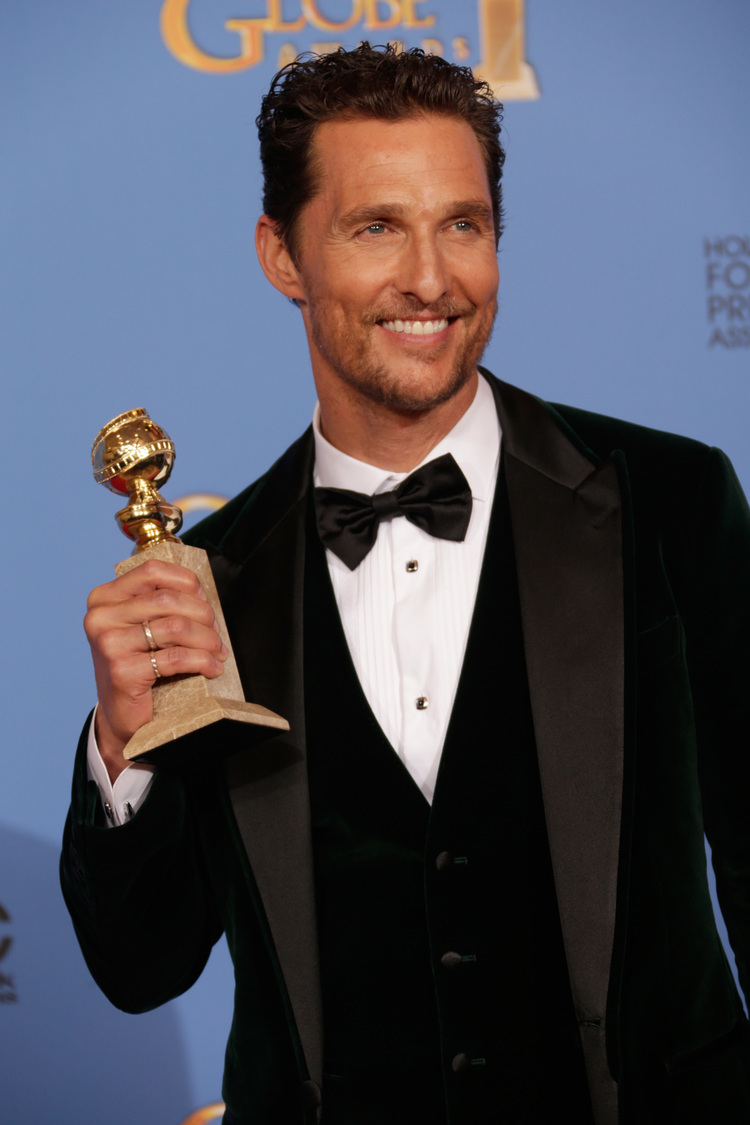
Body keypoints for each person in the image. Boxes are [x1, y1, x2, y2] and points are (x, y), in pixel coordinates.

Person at [61, 43, 750, 1125]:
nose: (430, 279)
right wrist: (121, 747)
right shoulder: (211, 581)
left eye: (462, 225)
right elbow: (139, 969)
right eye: (377, 226)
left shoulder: (669, 500)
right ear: (283, 255)